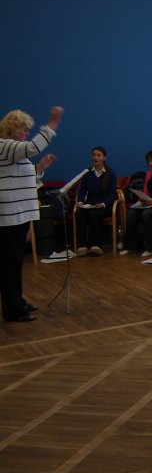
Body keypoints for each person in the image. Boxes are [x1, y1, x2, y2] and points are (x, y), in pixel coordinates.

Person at [0, 106, 62, 322]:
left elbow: (21, 176)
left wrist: (40, 167)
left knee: (15, 262)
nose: (27, 133)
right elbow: (33, 147)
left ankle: (17, 301)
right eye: (25, 129)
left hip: (19, 215)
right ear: (14, 129)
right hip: (9, 215)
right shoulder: (4, 146)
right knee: (9, 264)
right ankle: (12, 309)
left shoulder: (12, 150)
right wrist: (52, 123)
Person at [75, 146, 118, 257]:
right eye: (94, 155)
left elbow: (112, 194)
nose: (95, 157)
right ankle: (82, 245)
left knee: (94, 214)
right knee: (79, 213)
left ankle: (95, 245)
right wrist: (80, 201)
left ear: (104, 158)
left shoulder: (110, 173)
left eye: (99, 155)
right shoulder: (87, 173)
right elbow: (82, 191)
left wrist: (104, 203)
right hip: (90, 204)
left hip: (105, 205)